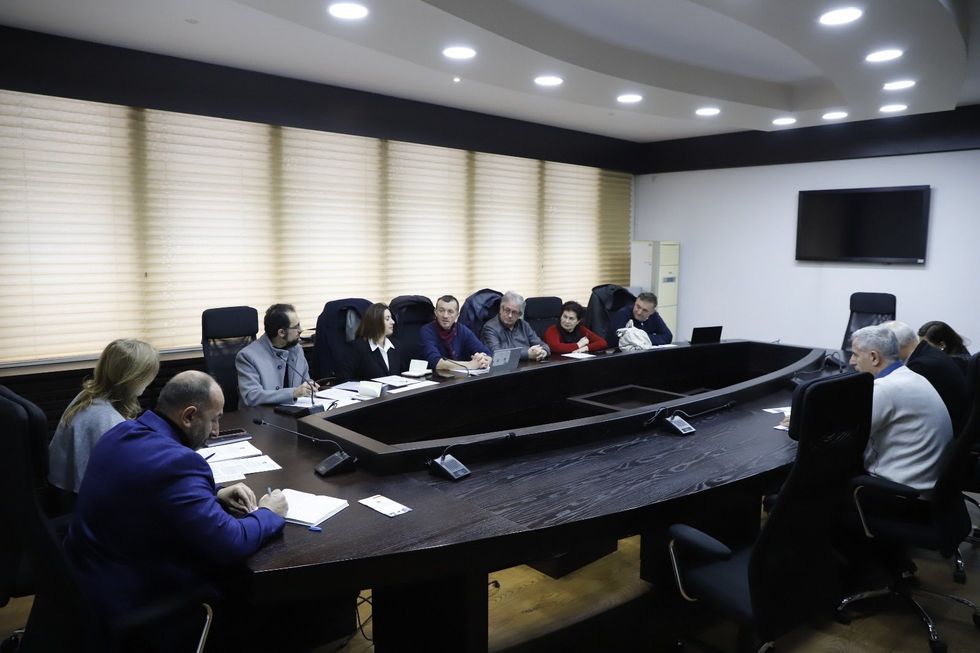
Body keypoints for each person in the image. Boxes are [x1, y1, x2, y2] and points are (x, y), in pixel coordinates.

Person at [64, 371, 291, 648]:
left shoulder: (120, 432)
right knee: (248, 595)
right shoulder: (179, 463)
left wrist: (215, 493)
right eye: (214, 419)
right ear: (189, 416)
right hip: (133, 603)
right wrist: (268, 513)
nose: (216, 431)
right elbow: (231, 542)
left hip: (84, 585)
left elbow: (150, 489)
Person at [48, 338, 160, 494]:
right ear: (132, 378)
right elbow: (126, 477)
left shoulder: (87, 396)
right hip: (82, 499)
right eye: (148, 375)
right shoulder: (108, 422)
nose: (150, 380)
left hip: (61, 491)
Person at [849, 325, 953, 491]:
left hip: (901, 491)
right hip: (931, 483)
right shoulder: (913, 377)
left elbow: (850, 436)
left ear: (874, 357)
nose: (851, 361)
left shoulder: (884, 388)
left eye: (855, 354)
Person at [883, 321, 968, 433]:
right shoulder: (929, 353)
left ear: (896, 346)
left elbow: (900, 402)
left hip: (950, 431)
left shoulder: (920, 365)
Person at [236, 303, 318, 406]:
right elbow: (252, 396)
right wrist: (293, 393)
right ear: (281, 332)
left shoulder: (296, 349)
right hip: (262, 414)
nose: (300, 330)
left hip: (294, 411)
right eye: (296, 326)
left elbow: (304, 380)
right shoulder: (247, 356)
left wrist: (309, 386)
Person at [419, 294, 492, 372]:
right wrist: (470, 365)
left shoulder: (462, 330)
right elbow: (436, 363)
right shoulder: (426, 331)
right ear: (435, 312)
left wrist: (483, 360)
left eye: (450, 311)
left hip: (458, 376)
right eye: (441, 310)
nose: (445, 316)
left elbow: (488, 354)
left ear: (457, 315)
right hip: (435, 377)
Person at [339, 302, 405, 380]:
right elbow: (345, 379)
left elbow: (403, 375)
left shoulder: (396, 345)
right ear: (376, 322)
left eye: (391, 318)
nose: (393, 322)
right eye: (387, 319)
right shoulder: (356, 348)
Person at [481, 291, 550, 361]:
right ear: (501, 309)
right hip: (508, 367)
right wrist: (527, 354)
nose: (510, 315)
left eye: (514, 312)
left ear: (519, 315)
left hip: (531, 365)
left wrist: (543, 352)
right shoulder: (490, 328)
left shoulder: (524, 325)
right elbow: (497, 355)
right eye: (507, 310)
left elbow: (543, 345)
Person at [608, 292, 672, 348]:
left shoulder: (654, 316)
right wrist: (646, 339)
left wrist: (642, 337)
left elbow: (668, 336)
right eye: (638, 307)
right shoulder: (623, 314)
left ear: (652, 312)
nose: (639, 312)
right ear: (635, 303)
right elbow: (619, 340)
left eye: (645, 310)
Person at [543, 300, 608, 354]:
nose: (567, 321)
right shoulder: (552, 330)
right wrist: (579, 345)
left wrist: (585, 348)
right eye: (565, 317)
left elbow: (602, 343)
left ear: (578, 321)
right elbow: (556, 347)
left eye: (571, 318)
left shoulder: (581, 329)